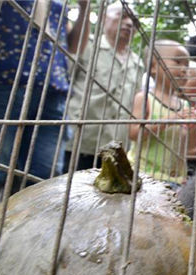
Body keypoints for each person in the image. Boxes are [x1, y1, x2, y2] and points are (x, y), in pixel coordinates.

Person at [0, 0, 89, 207]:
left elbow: (72, 47)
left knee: (43, 177)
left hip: (51, 93)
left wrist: (84, 7)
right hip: (0, 83)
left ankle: (23, 237)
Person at [65, 2, 144, 170]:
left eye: (134, 20)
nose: (129, 23)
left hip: (115, 149)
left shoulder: (137, 63)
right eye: (122, 16)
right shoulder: (86, 46)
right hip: (80, 143)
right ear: (102, 18)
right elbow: (66, 80)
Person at [128, 39, 196, 187]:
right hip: (142, 175)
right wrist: (169, 120)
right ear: (154, 66)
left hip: (175, 180)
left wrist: (193, 128)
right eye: (178, 62)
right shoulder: (145, 98)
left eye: (187, 64)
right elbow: (134, 133)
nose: (184, 69)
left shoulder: (184, 105)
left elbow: (191, 147)